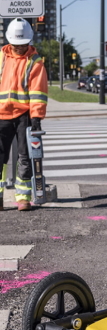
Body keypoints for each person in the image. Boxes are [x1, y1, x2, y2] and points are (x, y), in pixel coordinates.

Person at [0, 17, 48, 212]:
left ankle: (23, 198)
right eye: (16, 44)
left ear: (29, 42)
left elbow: (38, 93)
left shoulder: (35, 63)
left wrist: (36, 118)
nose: (19, 48)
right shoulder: (1, 59)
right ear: (9, 41)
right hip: (1, 114)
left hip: (24, 116)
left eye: (23, 44)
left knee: (25, 156)